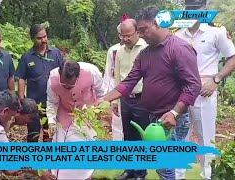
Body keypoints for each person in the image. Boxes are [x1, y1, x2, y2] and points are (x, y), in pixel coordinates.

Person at [96, 6, 202, 180]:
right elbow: (129, 82)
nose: (142, 34)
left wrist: (175, 112)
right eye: (139, 31)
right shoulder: (146, 54)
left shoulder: (179, 49)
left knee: (165, 164)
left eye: (144, 30)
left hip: (173, 118)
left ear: (157, 24)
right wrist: (104, 99)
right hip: (154, 118)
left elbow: (193, 85)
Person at [174, 1, 235, 179]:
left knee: (206, 137)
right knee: (180, 137)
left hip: (205, 90)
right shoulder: (177, 34)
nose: (193, 11)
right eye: (190, 7)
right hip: (181, 91)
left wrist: (216, 79)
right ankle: (178, 176)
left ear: (205, 8)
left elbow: (232, 57)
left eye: (197, 7)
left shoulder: (216, 32)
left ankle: (207, 175)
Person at [46, 60, 105, 179]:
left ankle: (85, 176)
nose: (67, 87)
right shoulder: (52, 78)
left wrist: (97, 110)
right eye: (64, 84)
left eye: (70, 85)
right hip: (65, 113)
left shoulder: (91, 71)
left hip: (87, 113)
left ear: (77, 77)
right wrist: (51, 122)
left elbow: (102, 93)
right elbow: (52, 102)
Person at [16, 24, 64, 142]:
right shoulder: (27, 57)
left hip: (52, 102)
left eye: (45, 37)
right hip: (34, 104)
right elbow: (21, 78)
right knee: (33, 134)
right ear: (32, 39)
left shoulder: (56, 53)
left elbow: (64, 73)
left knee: (50, 134)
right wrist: (22, 100)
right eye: (39, 38)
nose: (44, 40)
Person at [114, 19, 150, 180]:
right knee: (127, 135)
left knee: (141, 135)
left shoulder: (147, 48)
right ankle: (129, 170)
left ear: (137, 32)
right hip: (125, 100)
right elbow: (117, 77)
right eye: (123, 36)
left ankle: (140, 173)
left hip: (142, 98)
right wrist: (115, 100)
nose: (126, 39)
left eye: (129, 35)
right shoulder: (119, 51)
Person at [103, 22, 124, 141]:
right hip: (115, 85)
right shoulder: (113, 50)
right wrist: (106, 92)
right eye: (121, 34)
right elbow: (108, 71)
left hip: (133, 89)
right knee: (116, 119)